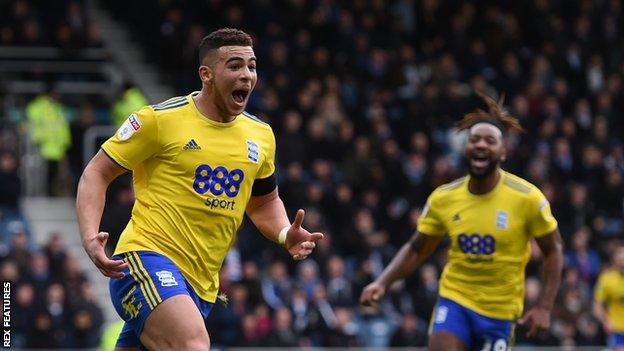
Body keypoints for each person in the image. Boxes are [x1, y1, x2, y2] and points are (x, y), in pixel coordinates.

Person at [76, 28, 324, 351]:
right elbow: (96, 172)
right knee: (193, 344)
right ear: (206, 74)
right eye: (235, 66)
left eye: (251, 66)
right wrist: (89, 236)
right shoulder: (159, 121)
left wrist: (283, 234)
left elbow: (264, 202)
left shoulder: (261, 136)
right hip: (145, 262)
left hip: (201, 287)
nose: (246, 75)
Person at [359, 92, 563, 351]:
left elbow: (553, 249)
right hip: (455, 300)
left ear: (503, 153)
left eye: (490, 141)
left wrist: (544, 307)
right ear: (466, 148)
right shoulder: (444, 198)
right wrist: (382, 282)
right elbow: (417, 248)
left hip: (499, 311)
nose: (481, 144)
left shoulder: (528, 198)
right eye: (474, 139)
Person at [593, 242, 624, 351]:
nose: (622, 259)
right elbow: (597, 305)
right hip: (616, 330)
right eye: (619, 255)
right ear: (614, 258)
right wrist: (605, 320)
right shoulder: (606, 278)